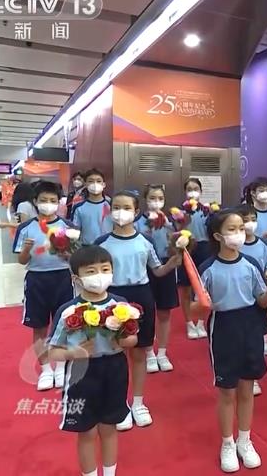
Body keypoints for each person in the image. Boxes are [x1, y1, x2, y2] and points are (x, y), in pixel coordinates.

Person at [200, 209, 267, 472]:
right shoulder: (208, 268)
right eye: (232, 229)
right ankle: (227, 443)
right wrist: (202, 303)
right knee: (227, 391)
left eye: (241, 228)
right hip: (224, 328)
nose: (240, 233)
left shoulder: (251, 264)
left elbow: (262, 301)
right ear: (218, 236)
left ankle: (244, 440)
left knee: (247, 389)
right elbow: (195, 308)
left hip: (250, 326)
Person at [48, 246, 138, 476]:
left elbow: (133, 338)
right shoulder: (68, 311)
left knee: (109, 428)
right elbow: (52, 352)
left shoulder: (121, 305)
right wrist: (74, 352)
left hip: (115, 370)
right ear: (76, 279)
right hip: (81, 374)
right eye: (91, 271)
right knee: (86, 432)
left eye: (105, 269)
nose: (99, 275)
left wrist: (125, 341)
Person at [95, 191, 181, 430]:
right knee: (114, 355)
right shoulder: (101, 243)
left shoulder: (145, 241)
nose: (120, 212)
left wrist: (172, 263)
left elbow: (157, 270)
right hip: (111, 299)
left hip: (141, 297)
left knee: (139, 352)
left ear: (136, 212)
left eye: (126, 208)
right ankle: (118, 404)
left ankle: (138, 402)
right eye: (116, 207)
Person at [13, 181, 74, 391]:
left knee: (65, 325)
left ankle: (61, 368)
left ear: (58, 203)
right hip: (36, 280)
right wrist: (25, 250)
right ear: (35, 202)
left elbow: (74, 257)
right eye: (43, 200)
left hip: (63, 279)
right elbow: (21, 261)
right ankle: (46, 369)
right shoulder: (26, 228)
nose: (48, 204)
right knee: (39, 327)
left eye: (52, 200)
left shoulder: (67, 227)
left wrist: (64, 252)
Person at [134, 185, 178, 373]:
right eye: (152, 198)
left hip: (166, 266)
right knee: (147, 312)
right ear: (146, 200)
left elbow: (177, 242)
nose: (156, 202)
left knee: (164, 312)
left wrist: (173, 231)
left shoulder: (170, 220)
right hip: (144, 268)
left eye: (160, 198)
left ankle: (162, 352)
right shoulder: (138, 221)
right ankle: (149, 352)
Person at [237, 204, 267, 389]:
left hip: (260, 292)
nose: (250, 224)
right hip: (241, 294)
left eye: (253, 220)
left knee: (259, 326)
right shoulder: (235, 245)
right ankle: (244, 376)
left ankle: (253, 376)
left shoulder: (262, 244)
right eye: (245, 220)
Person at [176, 178, 211, 340]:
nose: (192, 192)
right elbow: (176, 232)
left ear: (201, 191)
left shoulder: (207, 210)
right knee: (186, 289)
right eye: (189, 189)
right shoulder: (179, 212)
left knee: (203, 289)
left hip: (204, 248)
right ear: (185, 192)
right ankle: (189, 322)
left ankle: (201, 322)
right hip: (186, 248)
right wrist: (182, 220)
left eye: (195, 188)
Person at [72, 169, 112, 245]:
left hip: (108, 247)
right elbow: (75, 232)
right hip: (87, 248)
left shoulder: (112, 206)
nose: (95, 184)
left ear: (104, 184)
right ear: (85, 184)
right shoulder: (79, 207)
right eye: (91, 181)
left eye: (98, 181)